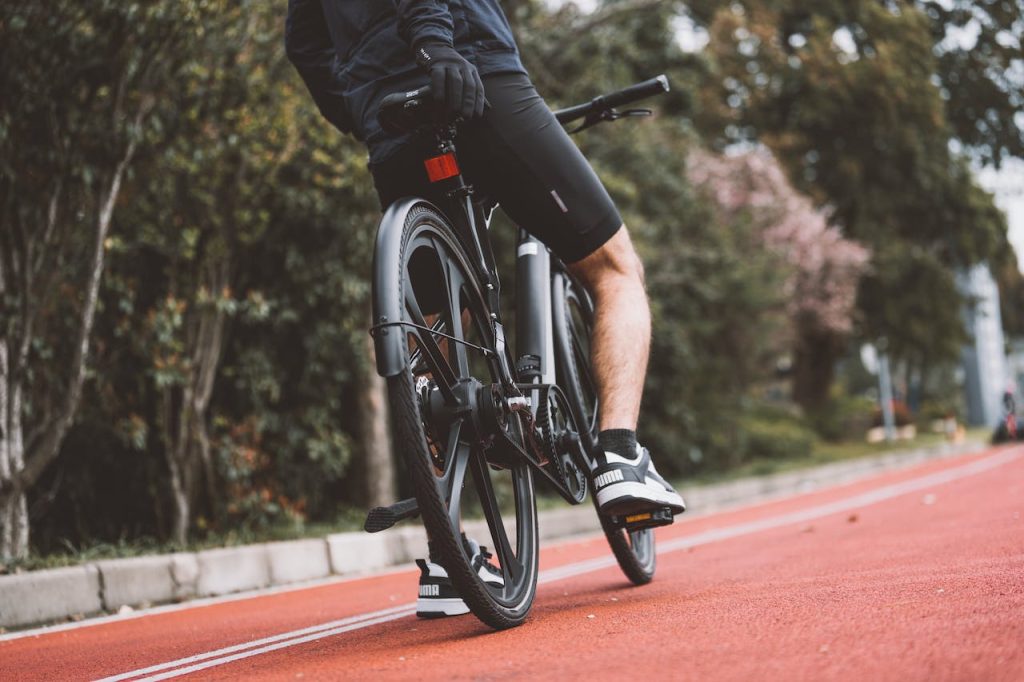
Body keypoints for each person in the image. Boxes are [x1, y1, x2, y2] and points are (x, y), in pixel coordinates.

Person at [285, 0, 684, 617]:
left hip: (389, 119)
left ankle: (447, 553)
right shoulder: (451, 48)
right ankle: (621, 455)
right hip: (473, 76)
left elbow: (305, 44)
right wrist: (435, 47)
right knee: (615, 270)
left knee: (438, 325)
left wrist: (362, 109)